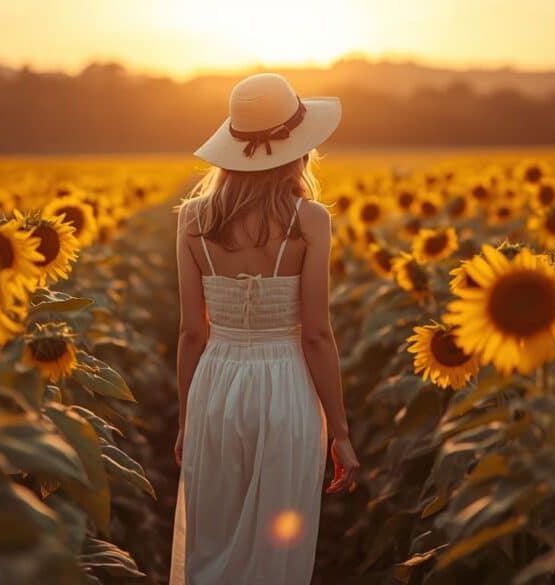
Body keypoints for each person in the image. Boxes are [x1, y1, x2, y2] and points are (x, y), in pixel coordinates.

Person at [169, 73, 358, 585]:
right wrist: (341, 433)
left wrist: (186, 418)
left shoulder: (193, 220)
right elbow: (316, 334)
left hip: (216, 385)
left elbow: (191, 333)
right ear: (298, 151)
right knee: (276, 553)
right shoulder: (309, 220)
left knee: (212, 541)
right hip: (286, 388)